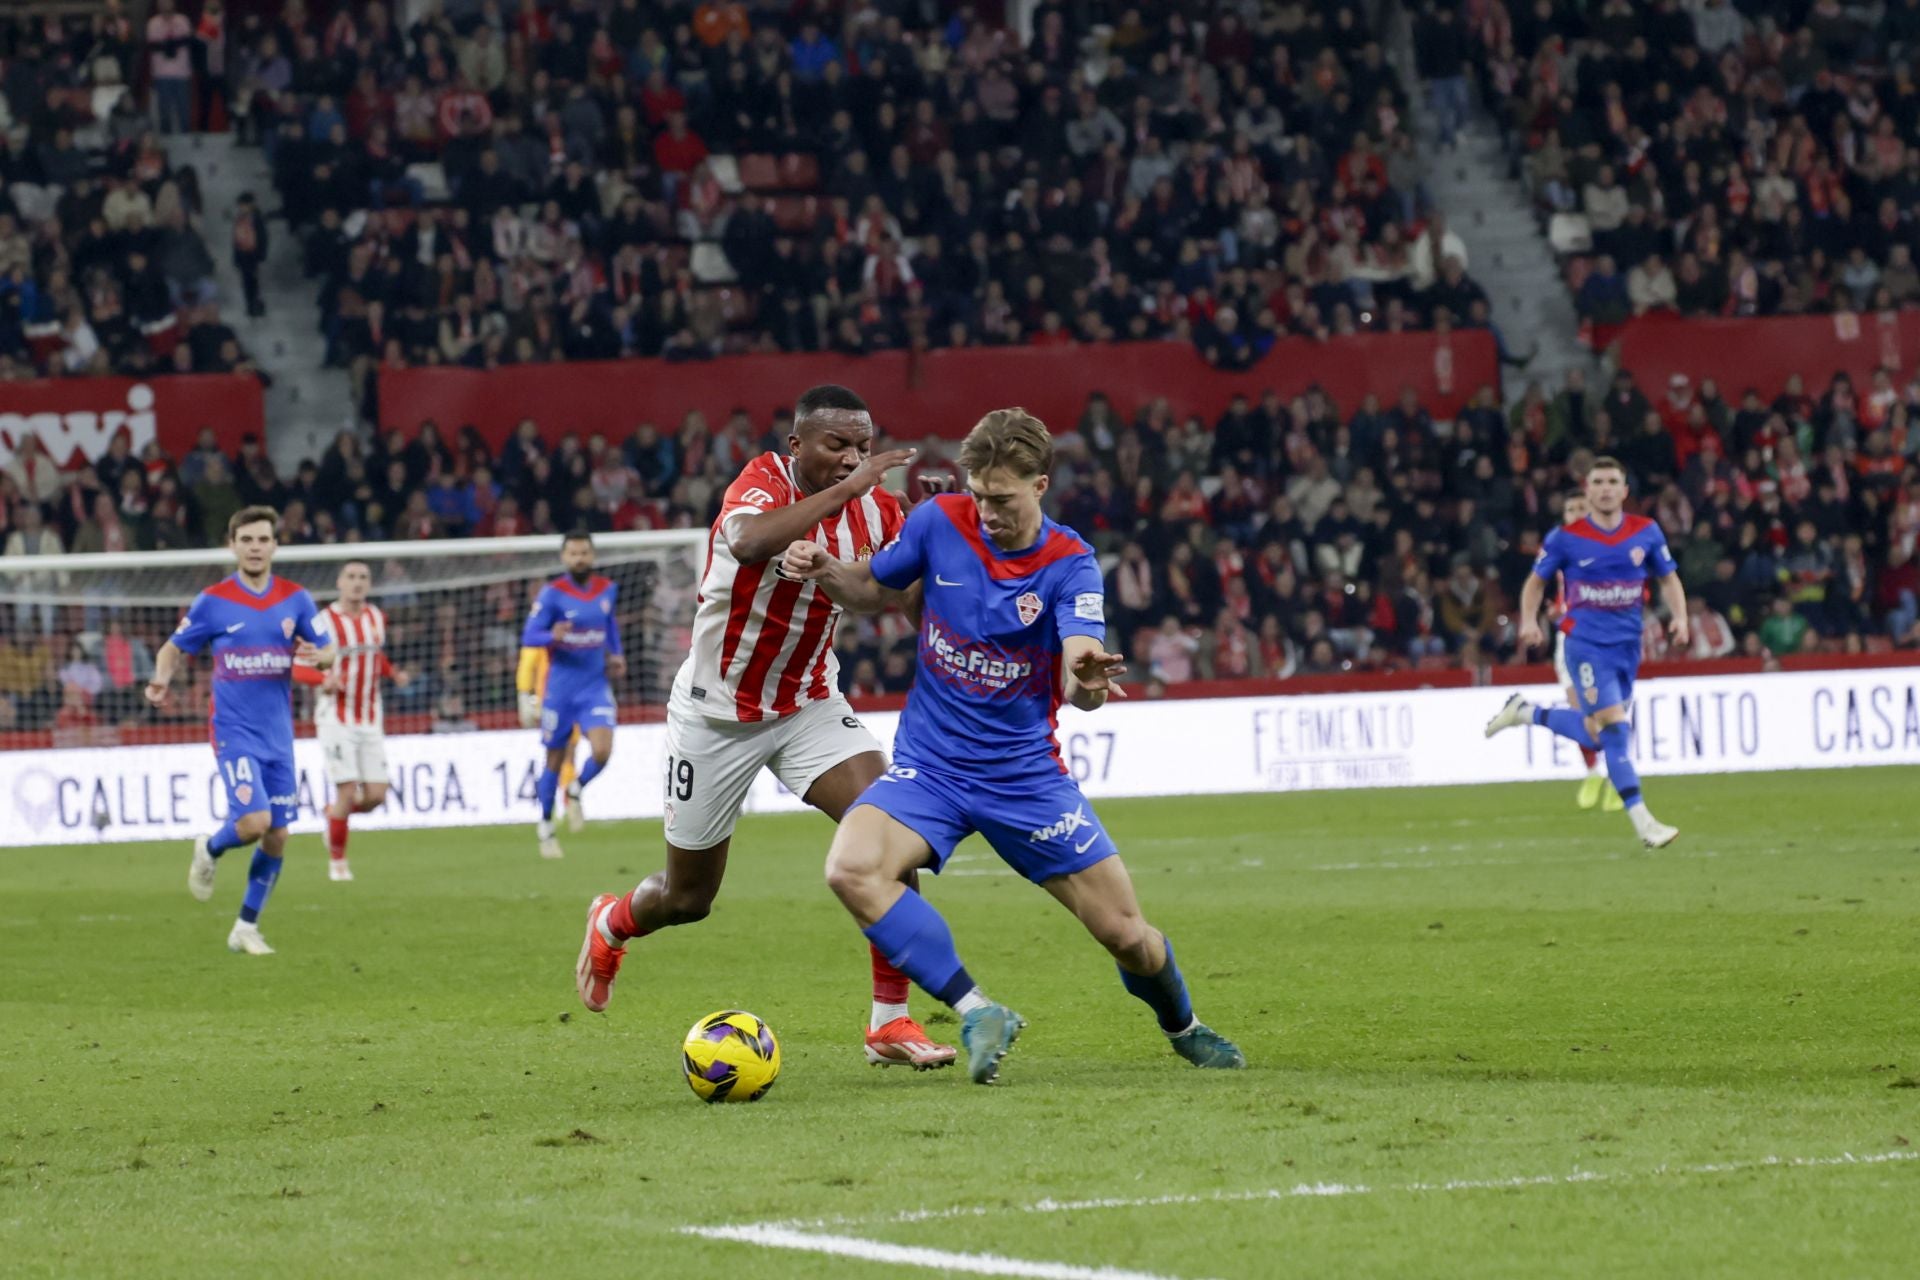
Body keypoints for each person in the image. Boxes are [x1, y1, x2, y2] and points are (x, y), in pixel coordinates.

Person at [779, 407, 1245, 1083]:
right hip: (931, 768)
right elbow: (869, 588)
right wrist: (825, 565)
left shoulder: (1069, 563)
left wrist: (1085, 680)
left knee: (1125, 935)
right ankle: (977, 1010)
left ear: (1041, 486)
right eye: (978, 495)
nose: (988, 511)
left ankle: (1184, 1025)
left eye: (1002, 499)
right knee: (850, 868)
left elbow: (1082, 671)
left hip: (1023, 780)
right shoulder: (938, 523)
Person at [573, 384, 958, 1071]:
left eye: (863, 447)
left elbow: (900, 603)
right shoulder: (760, 484)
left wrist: (933, 535)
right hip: (716, 716)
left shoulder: (880, 509)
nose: (852, 459)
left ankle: (889, 1022)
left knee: (887, 838)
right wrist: (849, 493)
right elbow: (748, 544)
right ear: (796, 446)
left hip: (808, 704)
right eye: (836, 445)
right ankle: (612, 921)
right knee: (689, 898)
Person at [145, 507, 336, 954]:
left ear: (274, 545)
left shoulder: (297, 599)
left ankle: (245, 927)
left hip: (278, 735)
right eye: (246, 539)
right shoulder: (212, 601)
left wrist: (320, 655)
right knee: (253, 822)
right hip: (233, 730)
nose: (255, 547)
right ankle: (209, 849)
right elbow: (174, 648)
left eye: (263, 539)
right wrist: (161, 678)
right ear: (232, 545)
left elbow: (329, 652)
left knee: (278, 834)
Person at [1485, 457, 1688, 848]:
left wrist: (1679, 616)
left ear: (1625, 490)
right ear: (1588, 489)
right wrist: (1528, 621)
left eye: (1614, 481)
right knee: (1614, 728)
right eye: (1598, 481)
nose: (1606, 487)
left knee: (1596, 735)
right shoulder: (1566, 538)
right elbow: (1534, 583)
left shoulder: (1646, 532)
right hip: (1586, 645)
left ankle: (1525, 713)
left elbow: (1668, 578)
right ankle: (1644, 823)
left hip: (1628, 646)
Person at [293, 560, 408, 882]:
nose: (357, 583)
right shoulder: (323, 622)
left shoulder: (375, 618)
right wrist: (322, 681)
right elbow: (298, 665)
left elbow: (374, 655)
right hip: (335, 717)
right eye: (351, 577)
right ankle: (338, 863)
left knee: (375, 796)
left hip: (371, 716)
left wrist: (392, 673)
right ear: (339, 583)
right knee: (346, 790)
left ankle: (333, 818)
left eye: (363, 578)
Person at [520, 533, 625, 859]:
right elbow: (529, 635)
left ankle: (576, 788)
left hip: (594, 685)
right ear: (564, 558)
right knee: (553, 759)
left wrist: (616, 653)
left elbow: (608, 625)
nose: (579, 558)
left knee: (603, 751)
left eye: (584, 552)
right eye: (573, 553)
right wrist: (552, 634)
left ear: (592, 555)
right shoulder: (552, 595)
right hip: (560, 690)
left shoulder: (606, 589)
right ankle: (546, 827)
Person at [1549, 492, 1620, 812]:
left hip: (1599, 635)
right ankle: (1593, 772)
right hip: (1568, 636)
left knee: (1605, 708)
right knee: (1579, 709)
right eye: (1569, 509)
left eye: (1580, 508)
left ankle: (1619, 773)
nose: (1575, 513)